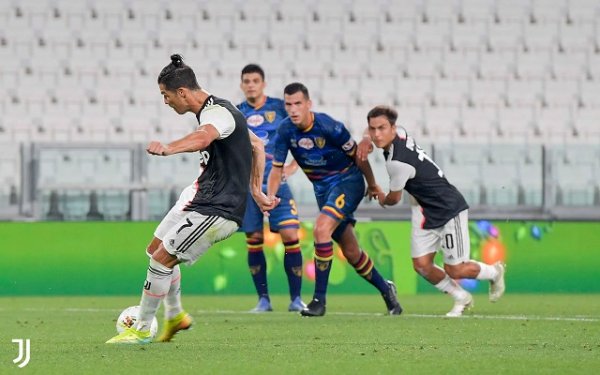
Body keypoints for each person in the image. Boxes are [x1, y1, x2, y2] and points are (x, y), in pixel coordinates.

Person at [106, 54, 277, 344]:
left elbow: (202, 138)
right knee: (155, 250)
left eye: (166, 95)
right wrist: (257, 190)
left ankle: (141, 330)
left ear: (182, 92)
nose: (166, 101)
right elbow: (257, 146)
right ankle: (174, 315)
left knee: (161, 261)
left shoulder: (218, 115)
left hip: (217, 209)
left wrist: (169, 148)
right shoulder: (220, 111)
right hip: (201, 197)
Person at [267, 82, 402, 317]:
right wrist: (269, 197)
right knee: (351, 252)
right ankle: (386, 290)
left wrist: (371, 184)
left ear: (309, 104)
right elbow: (276, 170)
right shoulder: (285, 131)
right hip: (322, 190)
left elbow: (358, 157)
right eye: (288, 104)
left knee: (321, 229)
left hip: (347, 182)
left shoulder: (329, 126)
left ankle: (319, 301)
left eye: (298, 103)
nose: (293, 109)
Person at [360, 105, 506, 317]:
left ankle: (494, 272)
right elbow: (375, 132)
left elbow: (393, 199)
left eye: (381, 128)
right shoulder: (400, 133)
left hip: (448, 209)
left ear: (392, 128)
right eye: (372, 129)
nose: (376, 134)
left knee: (455, 269)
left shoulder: (397, 163)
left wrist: (379, 194)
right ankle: (461, 298)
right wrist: (365, 139)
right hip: (423, 209)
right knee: (421, 265)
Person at [237, 64, 305, 313]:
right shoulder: (236, 112)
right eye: (247, 81)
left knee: (290, 235)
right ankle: (263, 300)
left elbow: (303, 132)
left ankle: (296, 299)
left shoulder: (279, 107)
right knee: (253, 238)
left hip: (277, 183)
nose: (251, 84)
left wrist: (294, 166)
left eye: (255, 80)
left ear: (263, 83)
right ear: (242, 84)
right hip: (249, 185)